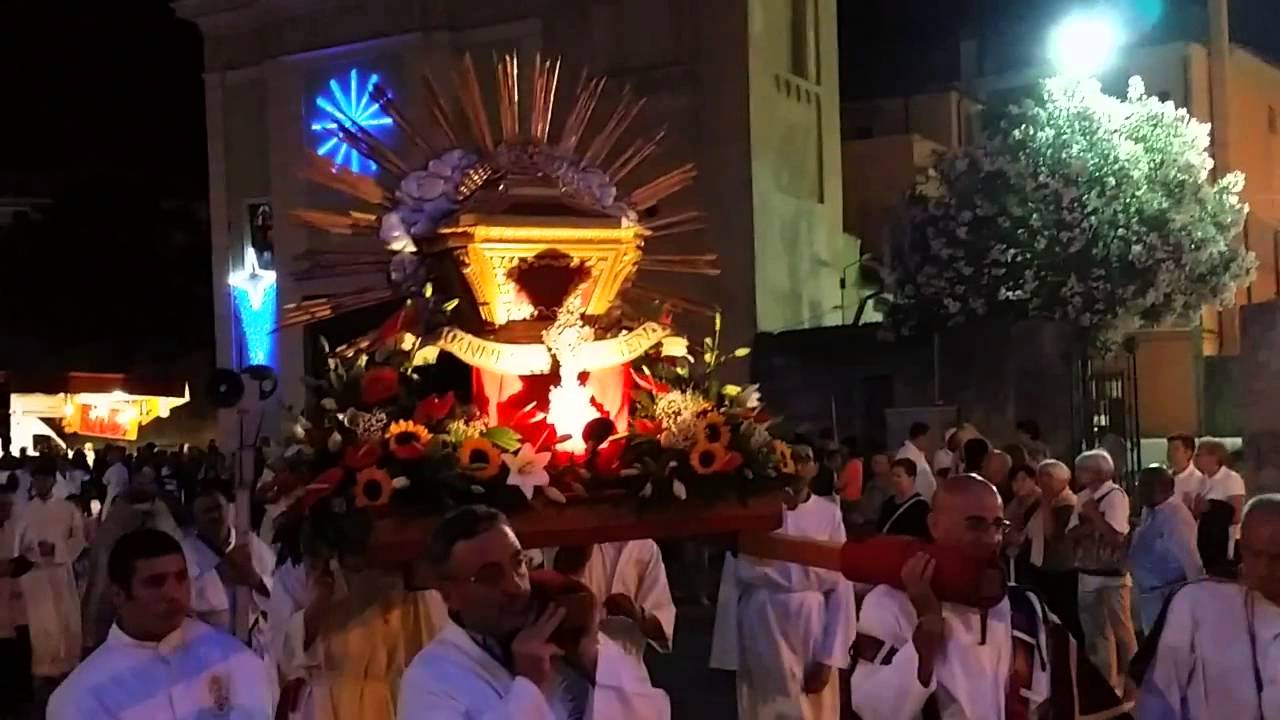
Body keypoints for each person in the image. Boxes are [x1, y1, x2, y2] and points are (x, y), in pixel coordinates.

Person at [849, 474, 1127, 719]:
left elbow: (1064, 700)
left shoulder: (1025, 606)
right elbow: (873, 711)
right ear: (934, 525)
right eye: (975, 525)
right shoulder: (890, 602)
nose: (992, 538)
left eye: (997, 525)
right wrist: (926, 634)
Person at [399, 506, 670, 718]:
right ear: (450, 595)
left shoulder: (565, 640)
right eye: (489, 576)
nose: (515, 586)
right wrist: (529, 686)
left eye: (519, 564)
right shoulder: (431, 678)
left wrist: (592, 657)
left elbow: (653, 714)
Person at [47, 528, 273, 719]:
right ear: (118, 595)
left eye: (181, 578)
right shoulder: (83, 696)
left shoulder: (233, 657)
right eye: (155, 583)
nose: (173, 593)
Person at [711, 444, 855, 720]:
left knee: (812, 708)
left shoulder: (829, 514)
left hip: (810, 625)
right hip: (762, 621)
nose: (798, 466)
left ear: (814, 468)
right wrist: (729, 652)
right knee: (765, 707)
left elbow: (841, 587)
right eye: (791, 459)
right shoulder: (754, 513)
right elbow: (732, 582)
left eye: (805, 459)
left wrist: (830, 658)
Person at [272, 511, 446, 719]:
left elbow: (430, 651)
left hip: (386, 704)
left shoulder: (403, 579)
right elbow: (284, 652)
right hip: (323, 707)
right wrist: (319, 601)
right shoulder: (300, 574)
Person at [1133, 494, 1280, 717]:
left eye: (1277, 558)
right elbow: (1157, 696)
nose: (1264, 569)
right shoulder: (1196, 603)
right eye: (1254, 554)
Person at [549, 539, 675, 691]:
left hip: (628, 674)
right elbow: (555, 605)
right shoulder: (574, 538)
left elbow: (661, 626)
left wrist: (637, 614)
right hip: (571, 673)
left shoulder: (646, 548)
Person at [82, 466, 181, 650]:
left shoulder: (161, 513)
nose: (143, 486)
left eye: (147, 482)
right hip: (121, 587)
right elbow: (103, 553)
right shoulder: (118, 513)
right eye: (140, 483)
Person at [13, 457, 86, 702]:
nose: (41, 482)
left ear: (53, 481)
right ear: (33, 481)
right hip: (34, 575)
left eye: (46, 478)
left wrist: (56, 550)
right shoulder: (24, 511)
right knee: (41, 622)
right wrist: (34, 550)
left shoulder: (68, 509)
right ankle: (43, 669)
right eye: (38, 478)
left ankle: (66, 664)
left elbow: (79, 540)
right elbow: (17, 546)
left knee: (65, 617)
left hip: (60, 572)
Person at [1067, 449, 1136, 695]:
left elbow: (1116, 536)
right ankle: (1105, 687)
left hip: (1112, 576)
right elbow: (1071, 534)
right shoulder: (1083, 497)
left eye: (1082, 470)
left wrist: (1094, 516)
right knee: (1096, 634)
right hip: (1087, 572)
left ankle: (1133, 683)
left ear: (1098, 471)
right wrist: (1090, 521)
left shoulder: (1116, 496)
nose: (1078, 475)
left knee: (1122, 632)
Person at [181, 486, 275, 655]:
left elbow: (279, 588)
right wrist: (218, 575)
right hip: (210, 645)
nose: (215, 516)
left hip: (254, 640)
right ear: (195, 518)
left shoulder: (251, 543)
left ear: (229, 508)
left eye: (218, 508)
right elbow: (184, 602)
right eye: (207, 511)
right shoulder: (185, 552)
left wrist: (255, 579)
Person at [1129, 465, 1203, 634]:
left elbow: (1191, 560)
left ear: (1162, 488)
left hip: (1167, 596)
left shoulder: (1175, 516)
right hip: (1151, 596)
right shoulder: (1151, 511)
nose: (1138, 490)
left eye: (1143, 485)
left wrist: (1196, 601)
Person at [0, 485, 33, 719]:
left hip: (15, 596)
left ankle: (18, 701)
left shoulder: (18, 526)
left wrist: (14, 566)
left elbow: (31, 554)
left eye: (9, 505)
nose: (6, 510)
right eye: (2, 506)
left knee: (17, 650)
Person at [1194, 438, 1246, 577]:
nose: (1196, 458)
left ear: (1214, 457)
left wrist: (1211, 508)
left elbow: (1236, 514)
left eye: (1200, 455)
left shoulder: (1231, 478)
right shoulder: (1202, 480)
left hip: (1226, 542)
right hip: (1206, 540)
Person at [1002, 463, 1042, 584]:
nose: (1019, 484)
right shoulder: (1015, 503)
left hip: (1035, 560)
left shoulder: (1040, 503)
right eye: (1015, 481)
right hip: (1016, 559)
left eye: (1024, 479)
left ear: (1034, 479)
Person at [877, 458, 931, 539]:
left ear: (911, 478)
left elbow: (920, 538)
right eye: (892, 475)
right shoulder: (888, 502)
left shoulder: (921, 506)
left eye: (898, 476)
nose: (894, 479)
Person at [847, 450, 892, 531]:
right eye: (874, 462)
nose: (876, 465)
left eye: (879, 463)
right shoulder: (871, 482)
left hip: (874, 525)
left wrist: (865, 519)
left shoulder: (891, 484)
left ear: (888, 465)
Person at [897, 422, 937, 502]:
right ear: (921, 437)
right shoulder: (907, 455)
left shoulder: (918, 453)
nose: (931, 442)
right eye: (929, 438)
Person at [1166, 434, 1204, 510]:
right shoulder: (1164, 477)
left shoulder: (1199, 480)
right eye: (1169, 449)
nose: (1170, 453)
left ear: (1188, 452)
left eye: (1175, 449)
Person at [101, 445, 130, 517]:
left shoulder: (111, 470)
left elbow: (105, 481)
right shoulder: (124, 469)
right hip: (122, 498)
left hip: (111, 497)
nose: (108, 459)